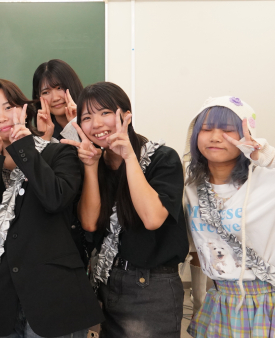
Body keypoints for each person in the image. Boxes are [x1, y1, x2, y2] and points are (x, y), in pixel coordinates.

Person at [0, 78, 102, 338]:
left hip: (55, 300)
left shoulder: (58, 154)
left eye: (8, 107)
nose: (1, 117)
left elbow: (55, 199)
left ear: (24, 109)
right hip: (3, 303)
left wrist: (24, 149)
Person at [67, 82, 188, 338]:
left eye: (105, 112)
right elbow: (89, 223)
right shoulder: (94, 163)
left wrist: (129, 157)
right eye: (87, 117)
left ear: (127, 116)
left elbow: (152, 218)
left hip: (151, 287)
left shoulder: (162, 158)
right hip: (106, 282)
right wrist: (90, 167)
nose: (96, 124)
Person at [183, 96, 275, 337]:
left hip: (270, 302)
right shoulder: (191, 186)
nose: (215, 137)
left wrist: (270, 156)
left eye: (227, 130)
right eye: (206, 129)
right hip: (219, 302)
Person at [31, 59, 90, 266]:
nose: (55, 97)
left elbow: (89, 171)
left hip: (93, 228)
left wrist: (74, 125)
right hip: (58, 235)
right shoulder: (40, 134)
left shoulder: (96, 126)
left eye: (59, 88)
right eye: (46, 92)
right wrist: (44, 138)